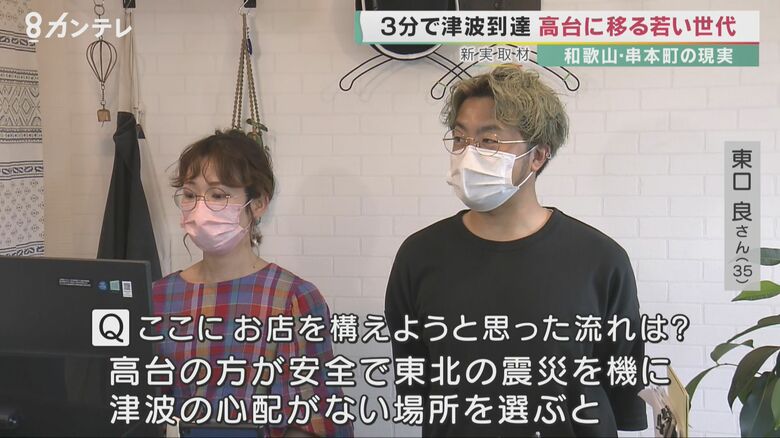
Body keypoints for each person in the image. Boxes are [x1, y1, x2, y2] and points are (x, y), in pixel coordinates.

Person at [384, 65, 648, 436]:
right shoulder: (419, 256)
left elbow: (622, 382)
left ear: (538, 156)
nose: (468, 154)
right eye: (460, 138)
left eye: (489, 141)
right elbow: (417, 378)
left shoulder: (600, 260)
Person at [151, 129, 353, 437]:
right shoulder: (159, 296)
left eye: (218, 195)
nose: (200, 208)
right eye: (190, 194)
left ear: (257, 203)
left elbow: (315, 417)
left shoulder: (292, 299)